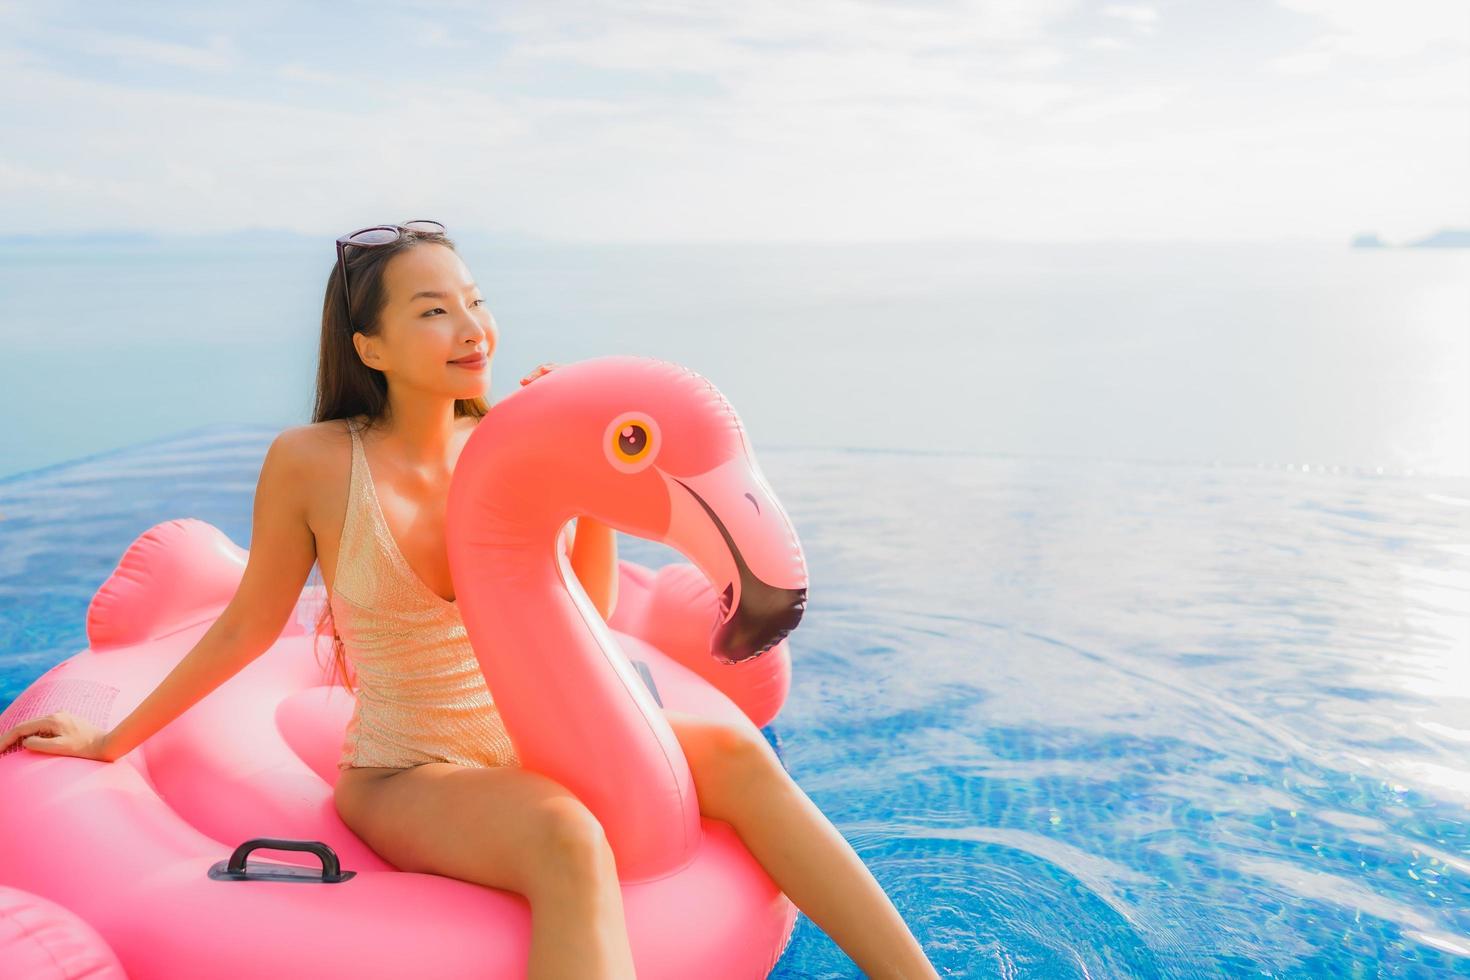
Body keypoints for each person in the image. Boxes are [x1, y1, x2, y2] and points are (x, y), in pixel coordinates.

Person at [0, 221, 940, 980]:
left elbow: (589, 613)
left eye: (476, 304)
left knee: (736, 752)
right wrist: (108, 739)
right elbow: (249, 625)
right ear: (369, 344)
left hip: (537, 735)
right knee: (565, 836)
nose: (471, 329)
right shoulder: (315, 464)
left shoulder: (501, 444)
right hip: (411, 770)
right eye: (434, 310)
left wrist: (580, 489)